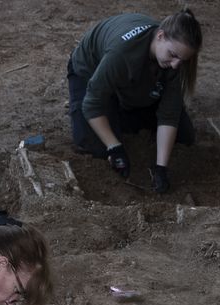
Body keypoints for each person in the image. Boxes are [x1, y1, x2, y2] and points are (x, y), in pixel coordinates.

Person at [67, 8, 202, 194]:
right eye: (173, 55)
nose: (176, 64)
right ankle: (118, 110)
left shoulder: (173, 60)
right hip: (90, 72)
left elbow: (169, 114)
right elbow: (92, 104)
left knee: (184, 136)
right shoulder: (122, 53)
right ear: (160, 36)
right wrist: (114, 147)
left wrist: (161, 168)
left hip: (134, 74)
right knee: (95, 146)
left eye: (182, 60)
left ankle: (123, 108)